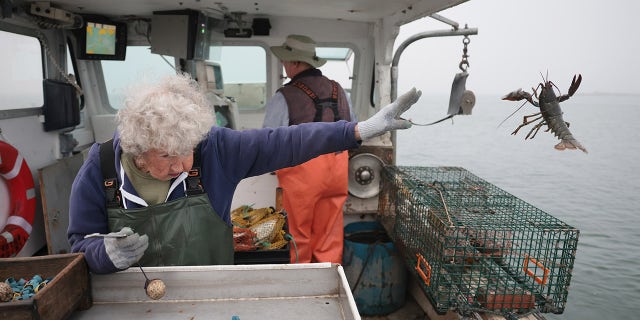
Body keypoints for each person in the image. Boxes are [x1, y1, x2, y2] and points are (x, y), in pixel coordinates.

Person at [67, 72, 421, 274]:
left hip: (211, 295)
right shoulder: (99, 170)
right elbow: (81, 244)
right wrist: (104, 254)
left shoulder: (213, 149)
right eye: (166, 156)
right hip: (131, 301)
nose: (181, 165)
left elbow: (284, 141)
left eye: (186, 151)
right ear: (138, 151)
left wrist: (357, 130)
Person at [263, 34, 354, 263]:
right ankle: (329, 285)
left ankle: (301, 286)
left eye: (285, 60)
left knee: (298, 235)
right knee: (329, 235)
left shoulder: (285, 96)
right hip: (337, 168)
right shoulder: (339, 90)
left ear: (295, 63)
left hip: (303, 173)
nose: (283, 65)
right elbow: (354, 129)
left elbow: (268, 139)